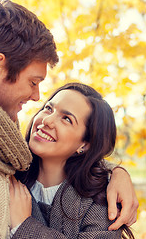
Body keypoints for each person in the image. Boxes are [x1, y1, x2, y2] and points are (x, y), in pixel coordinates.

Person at [0, 0, 138, 238]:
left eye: (67, 118)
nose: (36, 97)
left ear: (85, 144)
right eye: (33, 83)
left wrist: (114, 173)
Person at [9, 83, 135, 238]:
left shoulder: (100, 201)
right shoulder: (9, 170)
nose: (47, 120)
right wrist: (118, 171)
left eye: (66, 119)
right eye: (49, 108)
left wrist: (24, 226)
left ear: (85, 144)